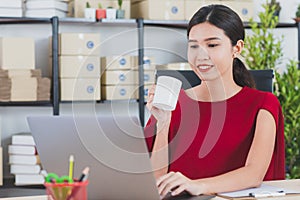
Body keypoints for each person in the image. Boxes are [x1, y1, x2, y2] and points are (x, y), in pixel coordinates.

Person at [144, 4, 285, 197]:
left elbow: (254, 174)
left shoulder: (263, 105)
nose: (201, 55)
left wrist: (198, 186)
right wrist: (163, 123)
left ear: (237, 48)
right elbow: (154, 182)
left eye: (212, 45)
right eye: (193, 46)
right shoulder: (171, 104)